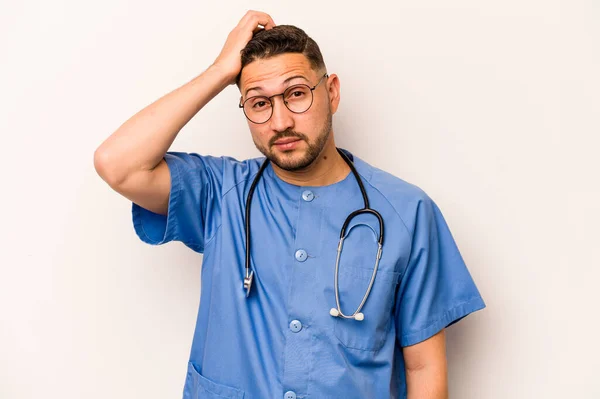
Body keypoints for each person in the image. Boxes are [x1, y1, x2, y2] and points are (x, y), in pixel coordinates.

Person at [94, 10, 485, 399]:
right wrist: (218, 71)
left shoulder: (407, 212)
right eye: (259, 103)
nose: (280, 121)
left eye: (296, 94)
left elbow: (424, 366)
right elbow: (118, 164)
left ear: (331, 93)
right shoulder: (220, 193)